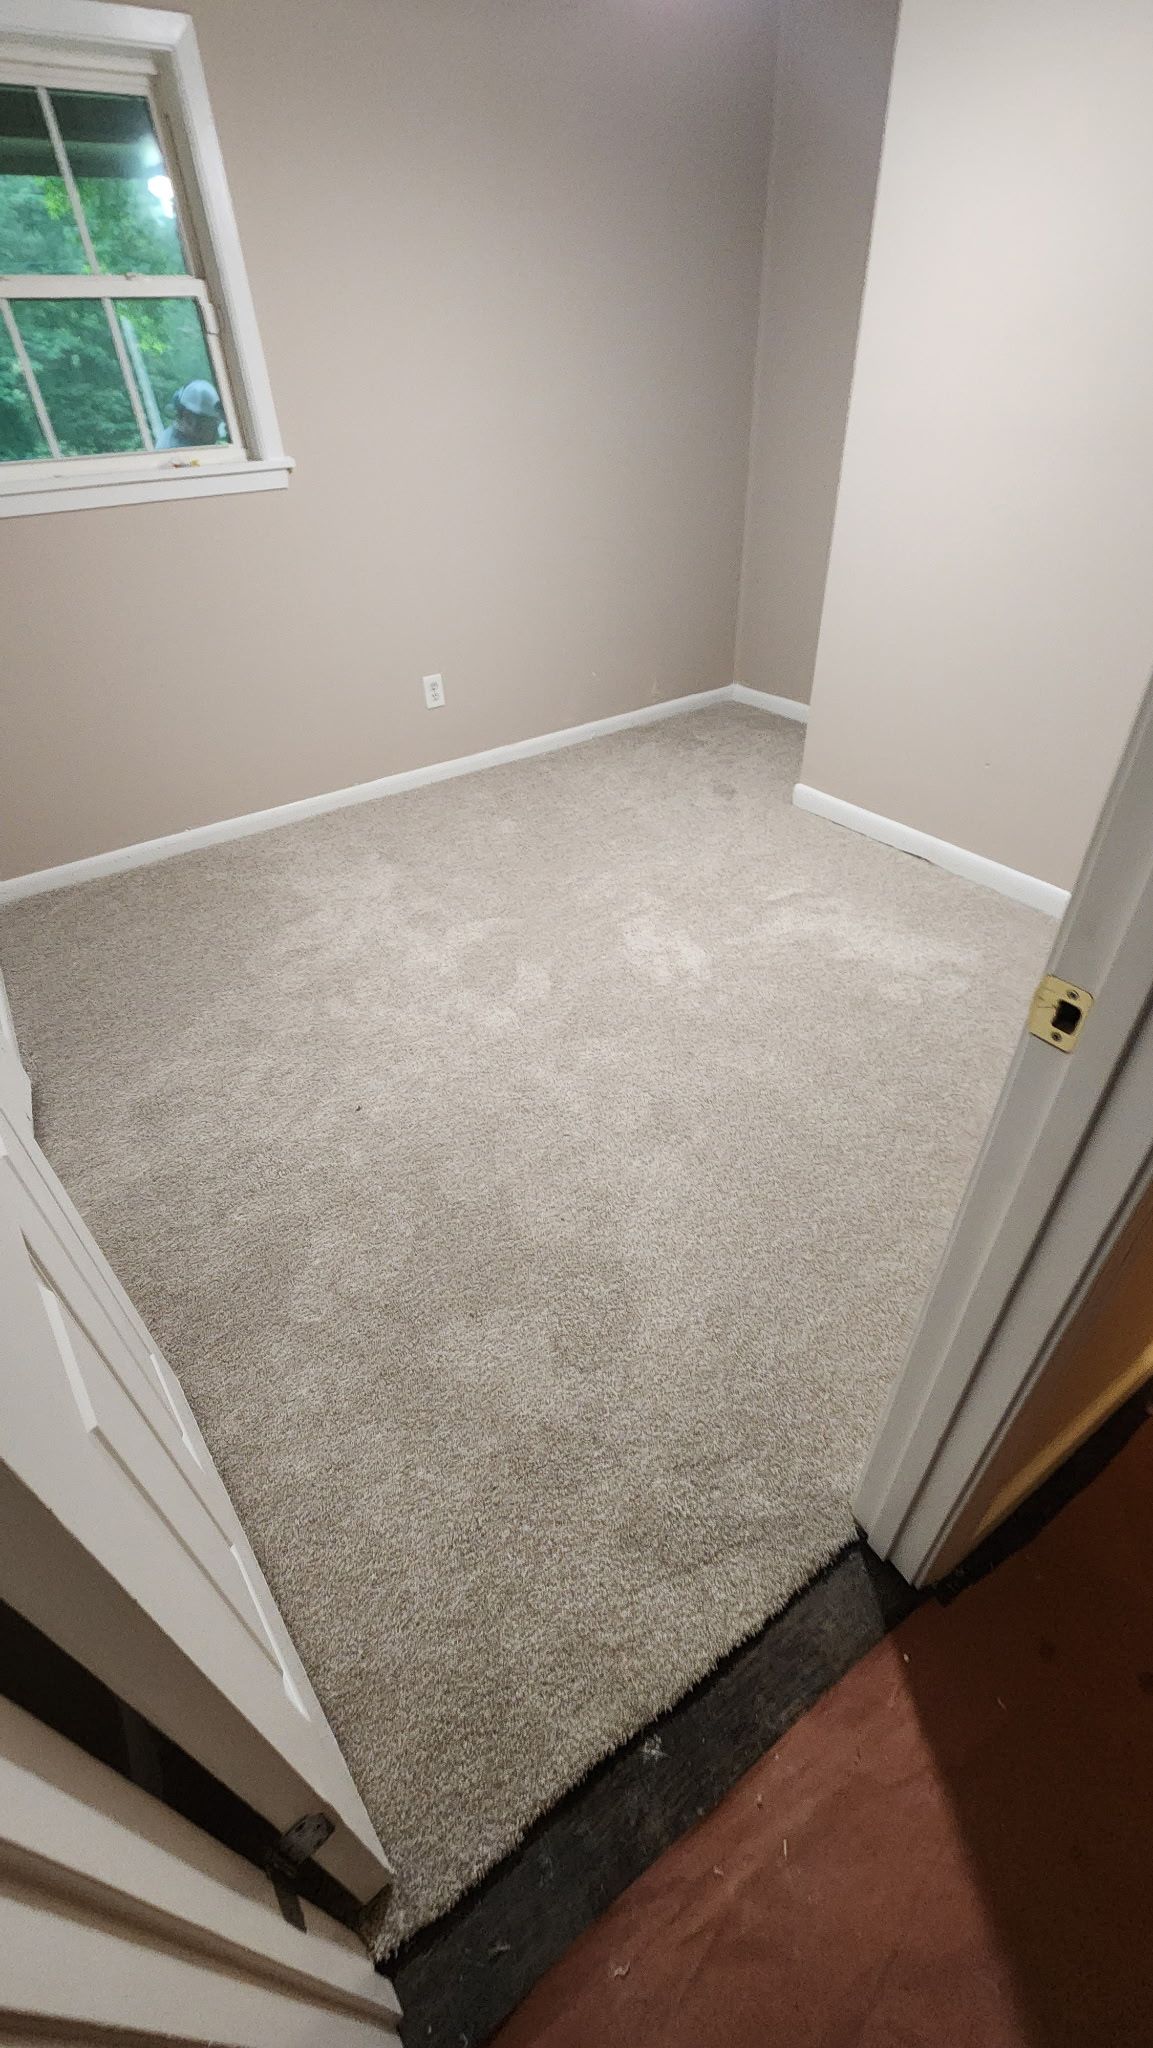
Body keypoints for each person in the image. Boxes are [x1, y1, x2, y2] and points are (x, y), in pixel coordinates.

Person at [157, 380, 224, 448]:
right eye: (213, 423)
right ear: (188, 419)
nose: (216, 430)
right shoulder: (174, 447)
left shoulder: (189, 438)